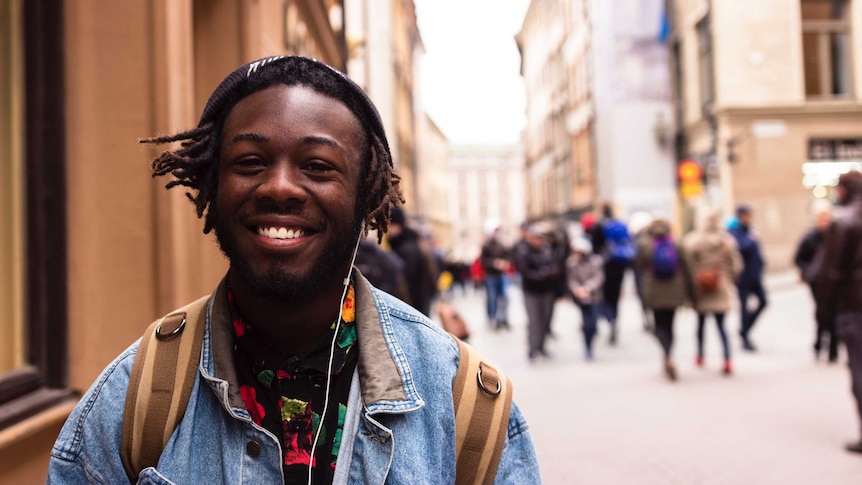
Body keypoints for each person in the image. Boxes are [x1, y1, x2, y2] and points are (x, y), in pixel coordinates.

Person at [46, 56, 540, 483]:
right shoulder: (133, 403)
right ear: (212, 186)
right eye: (251, 161)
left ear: (366, 196)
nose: (280, 186)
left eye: (318, 166)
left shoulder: (467, 410)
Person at [816, 170, 862, 454]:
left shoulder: (844, 222)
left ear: (844, 190)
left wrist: (823, 312)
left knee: (859, 369)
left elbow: (830, 273)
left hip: (854, 307)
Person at [683, 209, 743, 375]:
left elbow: (688, 265)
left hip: (700, 286)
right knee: (721, 326)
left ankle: (700, 355)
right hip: (721, 286)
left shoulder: (693, 241)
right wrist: (727, 278)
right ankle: (727, 359)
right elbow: (736, 265)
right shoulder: (726, 241)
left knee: (700, 324)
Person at [635, 217, 690, 381]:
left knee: (658, 326)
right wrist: (691, 294)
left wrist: (642, 295)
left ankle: (666, 354)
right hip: (674, 290)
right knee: (670, 325)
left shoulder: (645, 244)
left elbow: (640, 269)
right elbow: (687, 267)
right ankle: (669, 355)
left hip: (654, 290)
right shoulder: (676, 243)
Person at [794, 202, 838, 362]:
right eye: (822, 218)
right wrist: (809, 271)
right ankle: (819, 344)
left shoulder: (837, 235)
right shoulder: (810, 237)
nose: (824, 222)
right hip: (817, 282)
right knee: (822, 313)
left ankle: (833, 349)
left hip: (833, 282)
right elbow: (799, 258)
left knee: (833, 314)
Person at [513, 223, 561, 362]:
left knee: (546, 319)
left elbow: (556, 265)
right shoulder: (524, 251)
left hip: (547, 290)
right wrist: (539, 274)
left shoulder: (548, 250)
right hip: (531, 290)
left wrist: (549, 273)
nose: (538, 241)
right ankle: (533, 349)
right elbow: (523, 270)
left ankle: (542, 346)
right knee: (534, 320)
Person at [728, 204, 767, 351]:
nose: (749, 218)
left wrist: (762, 264)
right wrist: (751, 239)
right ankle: (744, 336)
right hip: (743, 277)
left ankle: (744, 329)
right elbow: (742, 248)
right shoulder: (734, 232)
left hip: (755, 275)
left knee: (763, 302)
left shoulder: (750, 230)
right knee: (743, 307)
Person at [387, 207, 439, 316]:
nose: (387, 229)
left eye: (390, 225)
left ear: (397, 225)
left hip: (413, 305)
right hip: (422, 302)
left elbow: (406, 281)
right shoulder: (415, 242)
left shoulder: (404, 248)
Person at [596, 203, 635, 345]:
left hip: (605, 266)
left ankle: (610, 319)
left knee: (605, 296)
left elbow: (596, 248)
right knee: (615, 297)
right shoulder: (621, 225)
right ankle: (614, 321)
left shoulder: (600, 226)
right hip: (620, 266)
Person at [566, 238, 604, 361]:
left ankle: (591, 341)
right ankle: (587, 347)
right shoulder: (571, 263)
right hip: (580, 297)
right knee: (586, 323)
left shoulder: (595, 261)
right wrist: (577, 289)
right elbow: (571, 279)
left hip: (594, 296)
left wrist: (588, 287)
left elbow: (599, 276)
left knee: (593, 322)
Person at [480, 225, 511, 330]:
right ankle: (492, 319)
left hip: (501, 275)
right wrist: (494, 263)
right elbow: (483, 262)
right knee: (491, 299)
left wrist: (505, 263)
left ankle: (502, 318)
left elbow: (507, 257)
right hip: (490, 276)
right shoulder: (486, 246)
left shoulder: (501, 245)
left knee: (504, 298)